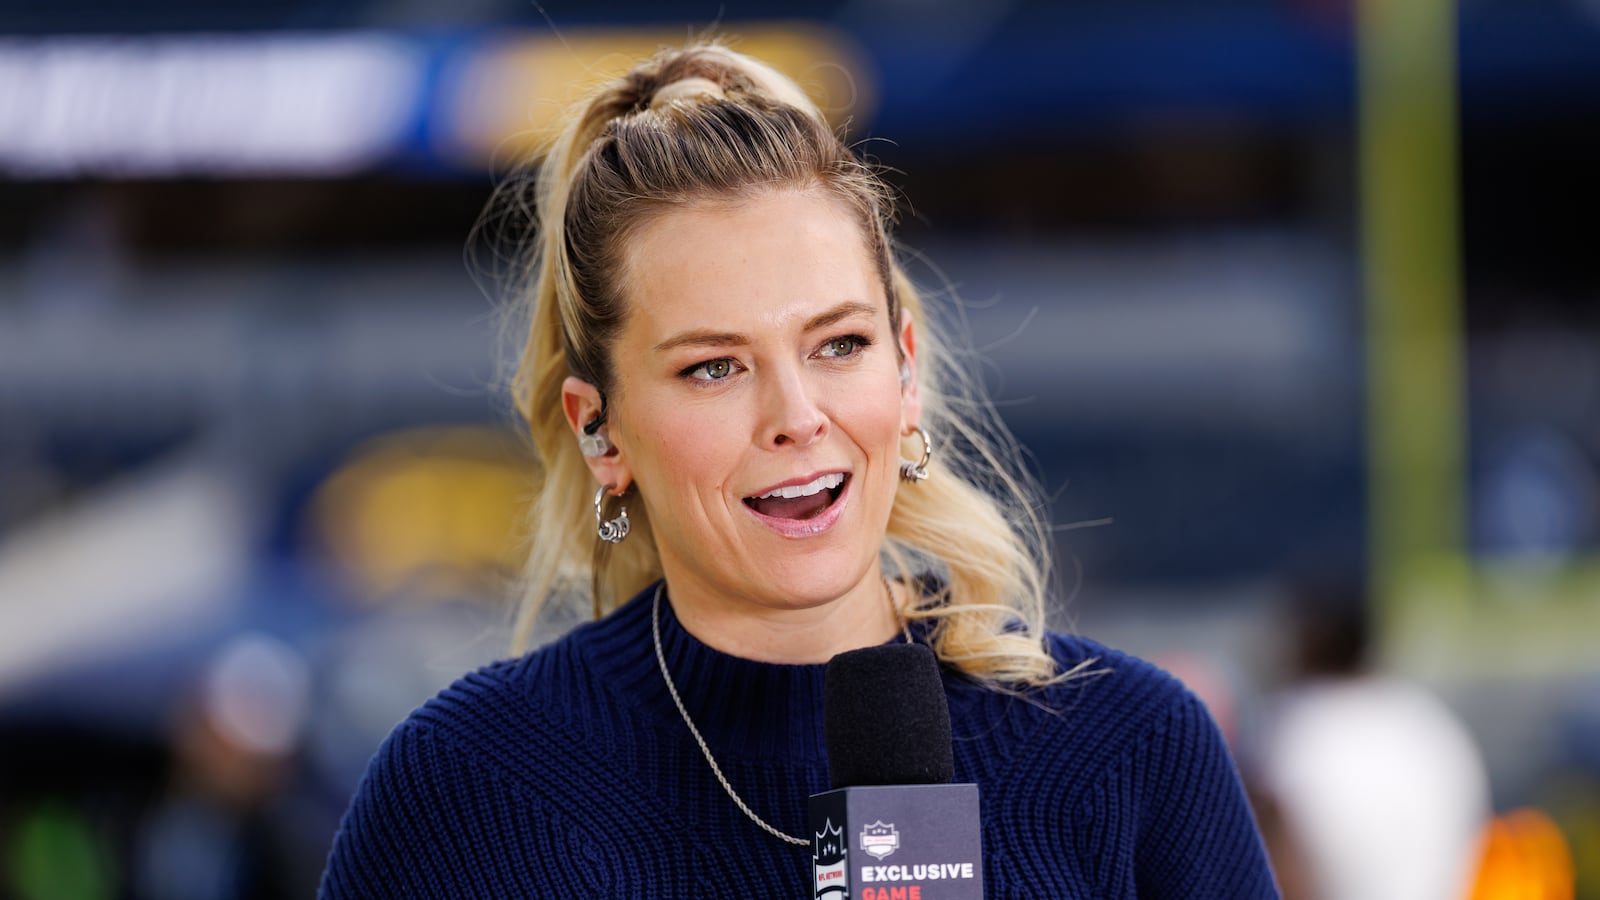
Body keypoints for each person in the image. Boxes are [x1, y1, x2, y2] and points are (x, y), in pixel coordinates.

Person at [319, 42, 1279, 898]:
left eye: (838, 345)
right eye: (713, 367)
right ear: (601, 431)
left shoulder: (1134, 748)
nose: (797, 418)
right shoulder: (468, 789)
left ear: (904, 370)